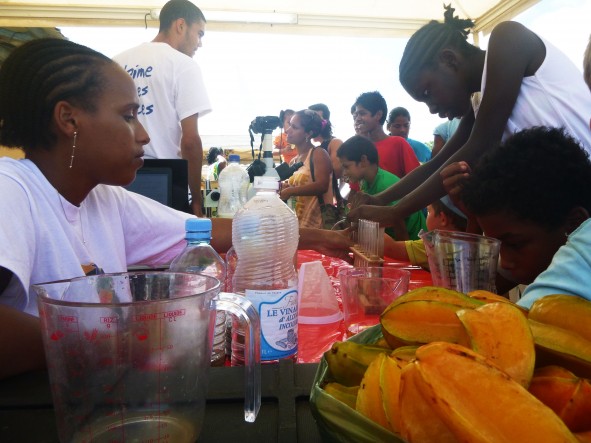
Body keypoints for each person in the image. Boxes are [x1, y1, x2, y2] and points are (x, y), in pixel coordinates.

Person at [0, 39, 352, 379]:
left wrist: (322, 239)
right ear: (68, 119)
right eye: (128, 116)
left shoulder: (106, 200)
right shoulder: (12, 188)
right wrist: (128, 342)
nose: (143, 135)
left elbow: (214, 231)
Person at [348, 5, 591, 230]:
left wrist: (397, 211)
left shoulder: (508, 38)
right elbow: (438, 163)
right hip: (565, 208)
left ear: (449, 59)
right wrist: (379, 199)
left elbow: (481, 145)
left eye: (428, 93)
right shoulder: (480, 101)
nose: (432, 109)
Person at [442, 127, 591, 302]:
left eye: (515, 244)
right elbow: (472, 297)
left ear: (575, 224)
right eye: (498, 247)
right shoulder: (534, 257)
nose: (505, 262)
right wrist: (473, 220)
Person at [113, 0, 211, 216]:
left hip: (118, 180)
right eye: (199, 33)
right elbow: (190, 141)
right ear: (181, 25)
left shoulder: (116, 63)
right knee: (169, 250)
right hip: (164, 182)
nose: (199, 43)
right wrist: (196, 201)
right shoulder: (183, 65)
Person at [337, 135, 426, 240]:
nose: (344, 172)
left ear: (363, 160)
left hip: (413, 243)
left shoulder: (385, 184)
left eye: (346, 166)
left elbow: (398, 221)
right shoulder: (366, 182)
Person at [280, 109, 334, 229]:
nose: (288, 130)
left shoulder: (318, 153)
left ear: (308, 133)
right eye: (289, 125)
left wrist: (291, 191)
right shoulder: (294, 160)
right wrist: (287, 187)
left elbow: (322, 185)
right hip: (299, 226)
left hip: (318, 227)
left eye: (294, 127)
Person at [351, 91, 420, 179]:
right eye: (356, 115)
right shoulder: (359, 148)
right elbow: (357, 188)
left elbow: (416, 179)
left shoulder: (398, 143)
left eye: (362, 113)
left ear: (378, 115)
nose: (357, 119)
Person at [383, 196, 467, 268]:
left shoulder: (434, 245)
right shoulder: (468, 244)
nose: (427, 215)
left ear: (443, 219)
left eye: (428, 211)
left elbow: (391, 248)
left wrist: (373, 222)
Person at [308, 103, 344, 179]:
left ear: (326, 122)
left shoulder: (335, 143)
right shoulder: (304, 145)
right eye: (309, 119)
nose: (313, 123)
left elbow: (336, 172)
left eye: (317, 118)